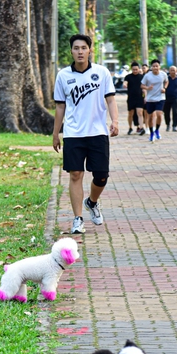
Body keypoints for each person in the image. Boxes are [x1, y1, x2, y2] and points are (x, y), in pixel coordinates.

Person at [53, 34, 119, 234]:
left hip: (97, 132)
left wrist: (115, 121)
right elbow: (60, 107)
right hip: (73, 133)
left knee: (101, 176)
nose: (80, 51)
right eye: (76, 48)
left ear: (90, 50)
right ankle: (78, 219)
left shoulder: (102, 72)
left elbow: (111, 100)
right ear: (71, 51)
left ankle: (92, 201)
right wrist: (56, 133)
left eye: (83, 48)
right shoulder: (63, 76)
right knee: (75, 174)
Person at [141, 59, 168, 141]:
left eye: (157, 66)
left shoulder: (163, 74)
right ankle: (152, 133)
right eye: (154, 66)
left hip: (160, 98)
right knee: (150, 116)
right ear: (151, 67)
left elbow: (166, 82)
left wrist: (164, 88)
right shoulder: (147, 76)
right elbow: (142, 85)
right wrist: (147, 88)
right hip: (150, 99)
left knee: (159, 114)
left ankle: (157, 130)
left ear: (159, 67)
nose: (155, 68)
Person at [123, 62, 146, 135]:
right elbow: (125, 82)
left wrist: (145, 97)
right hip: (131, 98)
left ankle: (141, 127)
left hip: (140, 97)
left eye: (136, 69)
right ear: (131, 69)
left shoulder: (142, 77)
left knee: (140, 113)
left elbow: (144, 88)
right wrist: (125, 84)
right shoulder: (128, 77)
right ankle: (130, 127)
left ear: (139, 69)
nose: (135, 71)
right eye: (133, 69)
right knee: (131, 113)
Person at [164, 65, 177, 131]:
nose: (172, 72)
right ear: (169, 71)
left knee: (175, 112)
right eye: (171, 70)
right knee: (166, 112)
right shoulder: (166, 79)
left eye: (174, 70)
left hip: (175, 98)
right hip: (166, 98)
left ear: (176, 71)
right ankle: (168, 125)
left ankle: (174, 126)